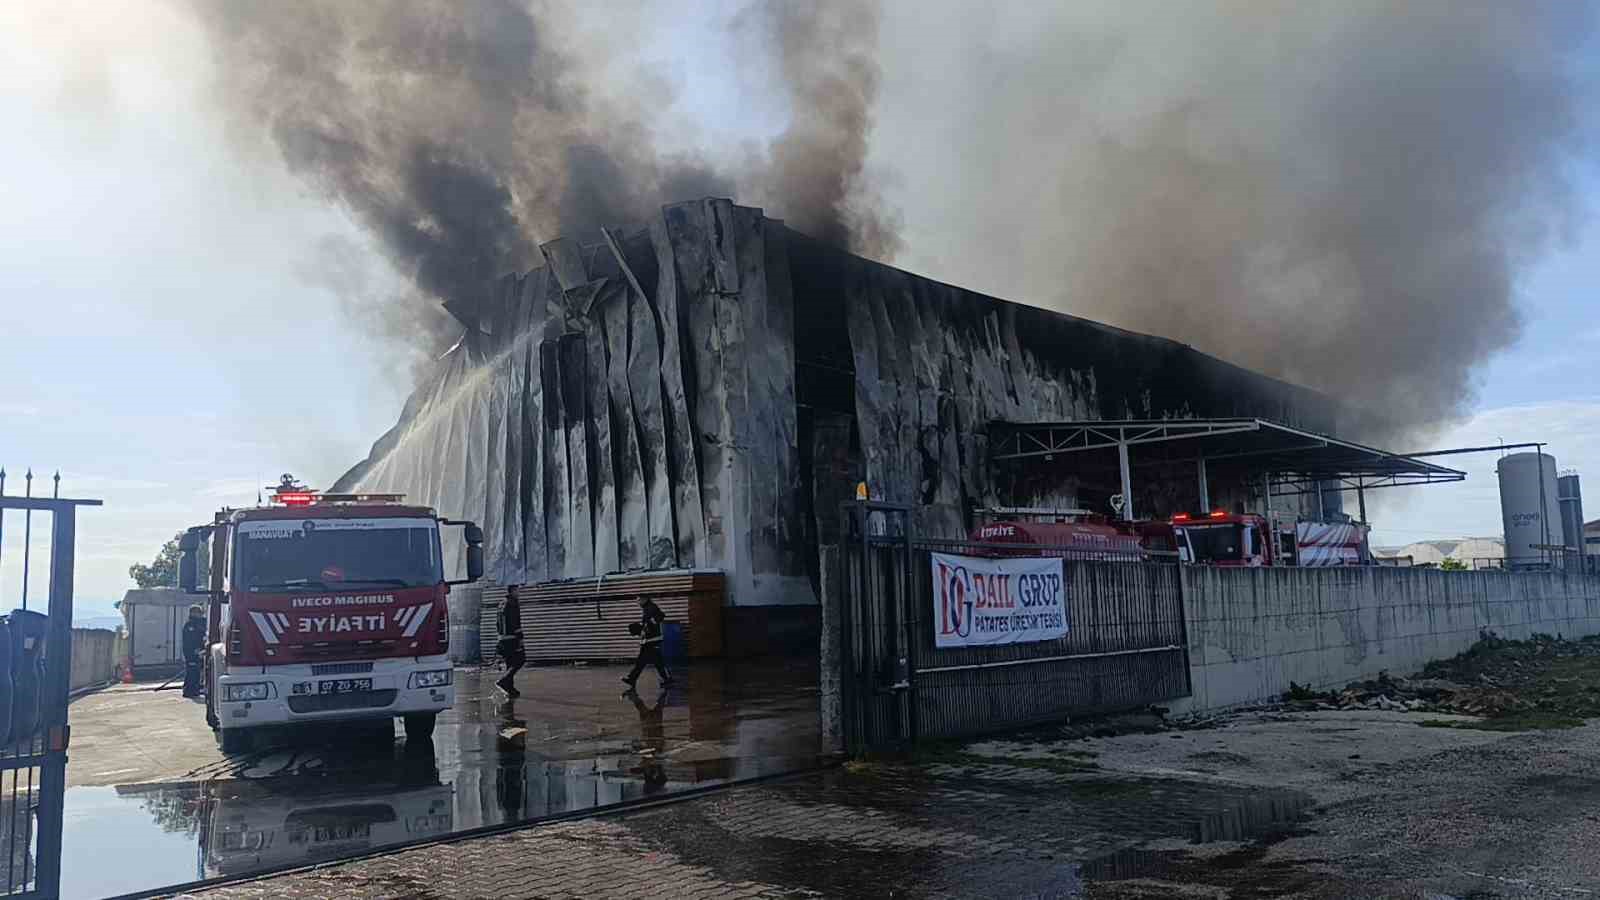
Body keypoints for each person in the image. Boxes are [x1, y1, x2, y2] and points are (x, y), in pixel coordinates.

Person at [622, 596, 673, 688]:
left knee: (652, 662)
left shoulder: (651, 607)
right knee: (646, 661)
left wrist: (648, 626)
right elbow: (649, 622)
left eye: (639, 600)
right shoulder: (647, 608)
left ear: (644, 599)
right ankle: (632, 679)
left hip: (653, 640)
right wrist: (643, 627)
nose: (638, 602)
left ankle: (667, 679)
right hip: (649, 640)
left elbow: (660, 616)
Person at [496, 585, 526, 697]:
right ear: (513, 591)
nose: (519, 592)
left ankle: (510, 689)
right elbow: (515, 623)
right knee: (521, 660)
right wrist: (520, 638)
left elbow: (498, 623)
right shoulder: (513, 603)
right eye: (518, 590)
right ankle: (504, 681)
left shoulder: (501, 603)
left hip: (502, 639)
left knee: (510, 664)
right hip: (512, 638)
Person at [180, 605, 207, 698]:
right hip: (192, 653)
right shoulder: (190, 625)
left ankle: (195, 689)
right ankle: (189, 691)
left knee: (196, 672)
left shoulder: (200, 623)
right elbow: (190, 641)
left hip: (199, 652)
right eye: (198, 612)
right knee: (192, 671)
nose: (200, 614)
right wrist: (195, 651)